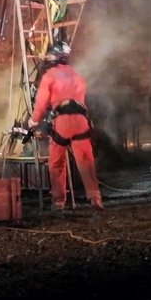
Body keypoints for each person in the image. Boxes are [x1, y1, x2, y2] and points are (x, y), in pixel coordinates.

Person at [29, 41, 103, 210]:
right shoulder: (77, 76)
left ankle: (59, 202)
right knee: (86, 161)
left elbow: (40, 104)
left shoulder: (49, 76)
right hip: (81, 121)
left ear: (56, 57)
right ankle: (95, 198)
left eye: (50, 55)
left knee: (56, 163)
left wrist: (33, 121)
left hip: (61, 122)